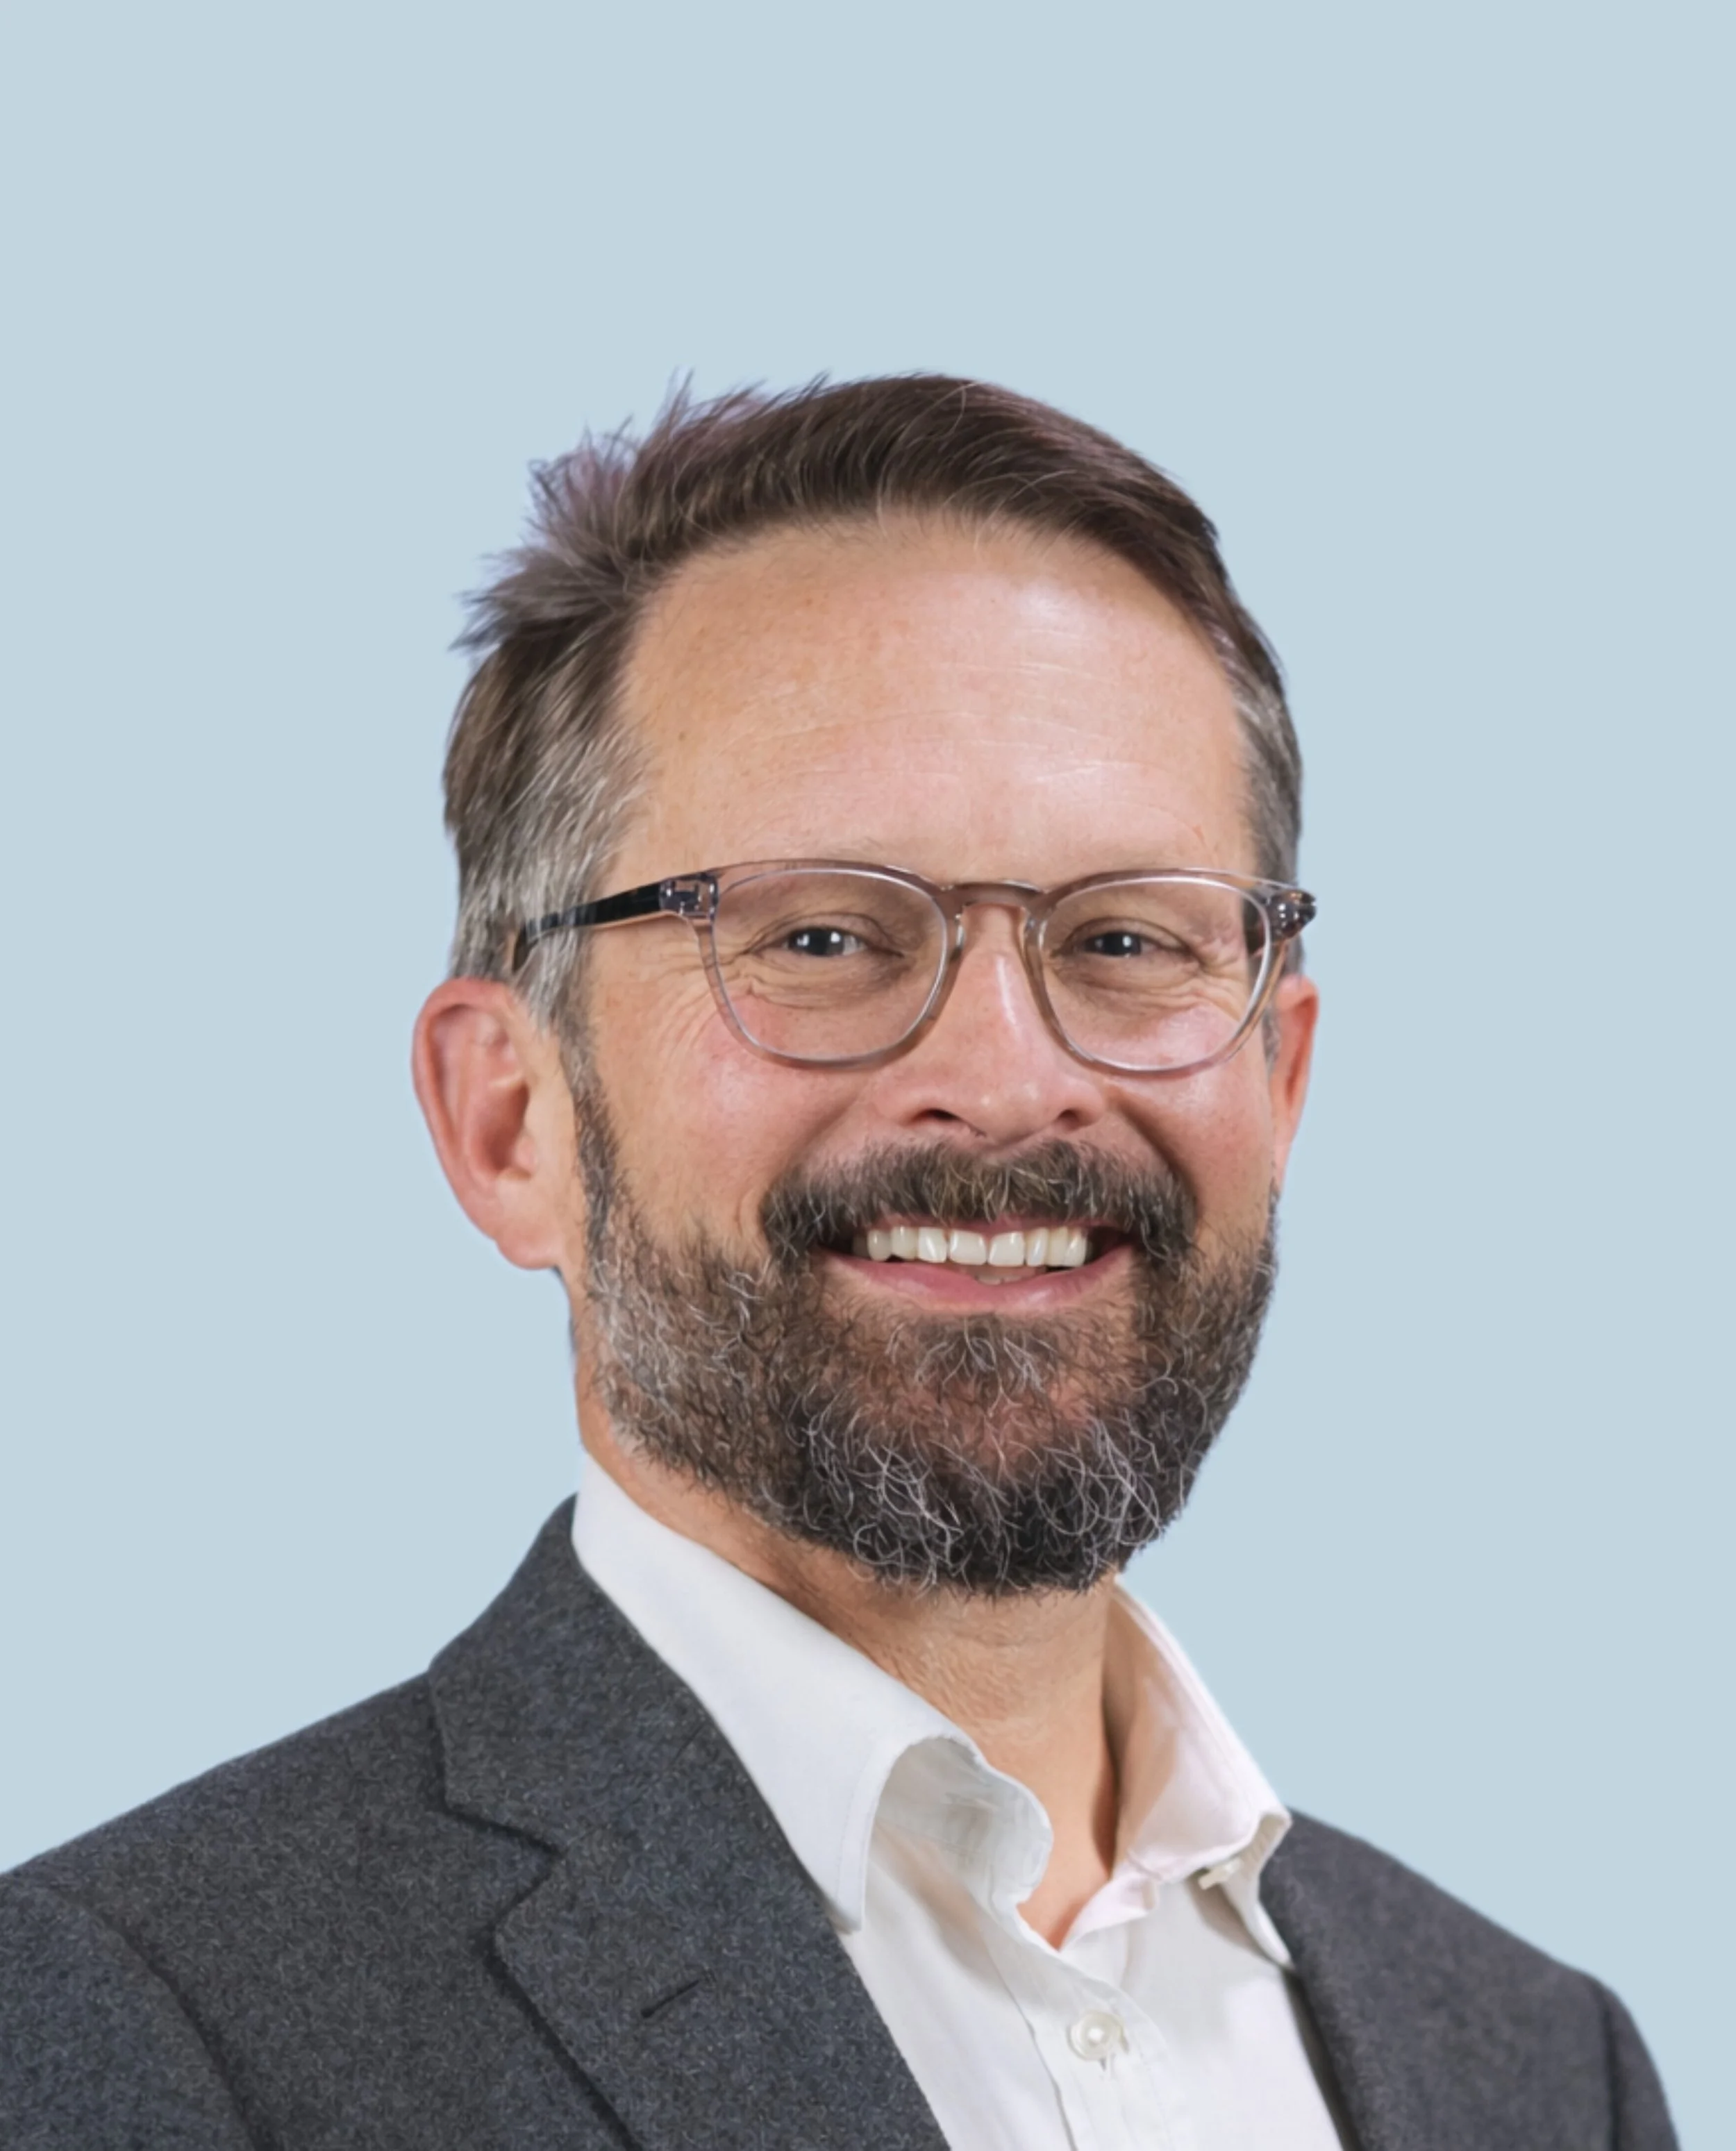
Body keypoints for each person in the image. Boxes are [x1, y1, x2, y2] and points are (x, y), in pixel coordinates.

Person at [0, 376, 1676, 2150]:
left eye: (1124, 938)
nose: (1012, 1077)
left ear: (1280, 1074)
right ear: (510, 1124)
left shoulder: (1533, 2064)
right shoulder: (135, 2025)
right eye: (818, 935)